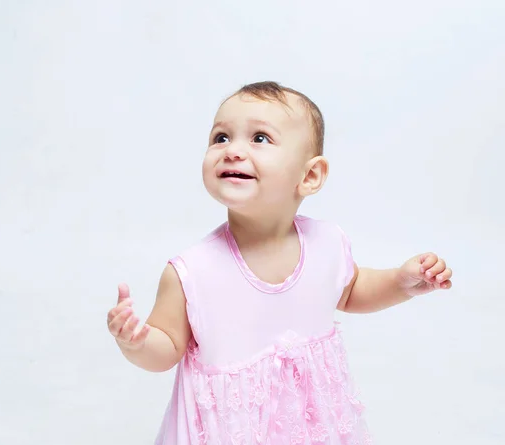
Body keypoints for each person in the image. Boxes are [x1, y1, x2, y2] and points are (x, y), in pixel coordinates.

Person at [107, 81, 453, 444]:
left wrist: (400, 282)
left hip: (310, 424)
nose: (232, 151)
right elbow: (167, 348)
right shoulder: (192, 272)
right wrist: (138, 343)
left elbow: (351, 292)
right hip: (231, 430)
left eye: (259, 138)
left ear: (310, 176)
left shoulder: (327, 244)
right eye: (221, 138)